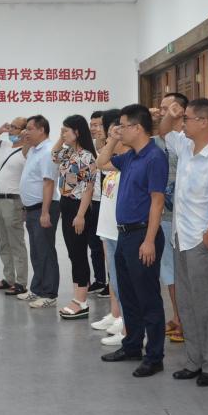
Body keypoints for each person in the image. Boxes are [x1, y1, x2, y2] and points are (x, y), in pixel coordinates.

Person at [159, 98, 208, 387]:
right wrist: (171, 114)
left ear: (203, 122)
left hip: (201, 241)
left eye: (187, 118)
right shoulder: (186, 147)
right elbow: (164, 131)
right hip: (181, 236)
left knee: (206, 305)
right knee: (187, 303)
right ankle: (194, 361)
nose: (183, 123)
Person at [96, 104, 169, 378]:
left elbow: (157, 201)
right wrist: (112, 138)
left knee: (148, 298)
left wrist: (149, 241)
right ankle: (132, 346)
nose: (120, 130)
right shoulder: (130, 157)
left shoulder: (154, 157)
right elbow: (101, 163)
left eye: (124, 126)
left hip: (142, 235)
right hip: (125, 234)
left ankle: (155, 356)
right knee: (128, 294)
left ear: (138, 128)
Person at [52, 115, 99, 319]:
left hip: (78, 207)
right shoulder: (68, 152)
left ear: (77, 132)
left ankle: (81, 301)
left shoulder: (87, 157)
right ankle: (77, 296)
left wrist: (80, 215)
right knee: (73, 253)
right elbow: (54, 155)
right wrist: (62, 136)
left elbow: (88, 188)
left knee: (79, 253)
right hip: (65, 204)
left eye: (66, 130)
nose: (63, 134)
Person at [150, 92, 187, 343]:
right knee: (169, 272)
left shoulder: (187, 140)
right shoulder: (158, 140)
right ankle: (178, 316)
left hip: (180, 217)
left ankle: (184, 320)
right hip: (163, 215)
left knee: (179, 273)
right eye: (160, 108)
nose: (161, 112)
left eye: (166, 108)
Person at [17, 115, 60, 308]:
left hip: (44, 208)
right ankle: (37, 289)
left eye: (29, 129)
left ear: (42, 130)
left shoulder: (48, 151)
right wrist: (26, 140)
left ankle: (49, 293)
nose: (25, 132)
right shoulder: (35, 149)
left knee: (45, 251)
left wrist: (45, 212)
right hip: (32, 209)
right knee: (36, 251)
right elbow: (24, 155)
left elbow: (48, 183)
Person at [91, 109, 126, 344]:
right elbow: (100, 162)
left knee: (123, 278)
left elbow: (100, 162)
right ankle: (115, 314)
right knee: (113, 275)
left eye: (115, 133)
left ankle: (124, 321)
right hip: (107, 229)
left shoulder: (127, 162)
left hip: (119, 230)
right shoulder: (113, 162)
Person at [0, 118, 30, 296]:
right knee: (3, 242)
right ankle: (9, 278)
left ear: (23, 131)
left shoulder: (26, 151)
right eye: (10, 126)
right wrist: (0, 130)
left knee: (16, 243)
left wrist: (26, 139)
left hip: (14, 202)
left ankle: (21, 282)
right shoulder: (4, 145)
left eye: (14, 127)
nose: (10, 130)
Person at [86, 111, 108, 295]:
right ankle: (99, 279)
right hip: (93, 200)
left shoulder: (114, 146)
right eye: (92, 125)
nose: (94, 128)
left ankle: (111, 282)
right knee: (94, 243)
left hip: (107, 202)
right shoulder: (90, 147)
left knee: (107, 244)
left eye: (98, 125)